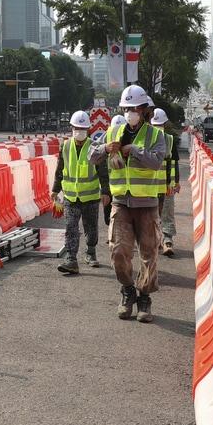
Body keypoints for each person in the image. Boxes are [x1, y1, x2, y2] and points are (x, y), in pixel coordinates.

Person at [91, 85, 167, 323]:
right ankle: (127, 290)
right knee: (118, 252)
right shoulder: (113, 131)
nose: (130, 113)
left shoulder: (156, 135)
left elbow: (156, 163)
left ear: (144, 110)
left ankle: (144, 297)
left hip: (147, 205)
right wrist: (105, 148)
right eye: (126, 108)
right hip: (121, 203)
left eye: (134, 108)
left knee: (149, 254)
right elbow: (92, 156)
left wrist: (133, 150)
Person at [52, 110, 109, 274]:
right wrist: (55, 190)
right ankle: (71, 258)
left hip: (90, 197)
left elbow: (102, 172)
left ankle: (91, 252)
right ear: (71, 128)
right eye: (76, 128)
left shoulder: (94, 147)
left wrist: (106, 191)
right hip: (70, 197)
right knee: (71, 227)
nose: (79, 131)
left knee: (91, 228)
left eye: (82, 128)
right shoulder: (65, 146)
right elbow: (60, 170)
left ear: (88, 129)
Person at [155, 108, 180, 256]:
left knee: (167, 213)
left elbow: (174, 163)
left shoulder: (169, 140)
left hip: (166, 185)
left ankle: (167, 240)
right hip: (149, 185)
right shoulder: (145, 141)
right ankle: (154, 239)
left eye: (160, 124)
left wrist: (175, 182)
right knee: (151, 215)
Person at [103, 114, 126, 228]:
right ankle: (112, 234)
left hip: (124, 188)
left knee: (121, 216)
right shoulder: (105, 140)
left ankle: (115, 236)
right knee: (108, 215)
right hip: (109, 185)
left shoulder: (129, 141)